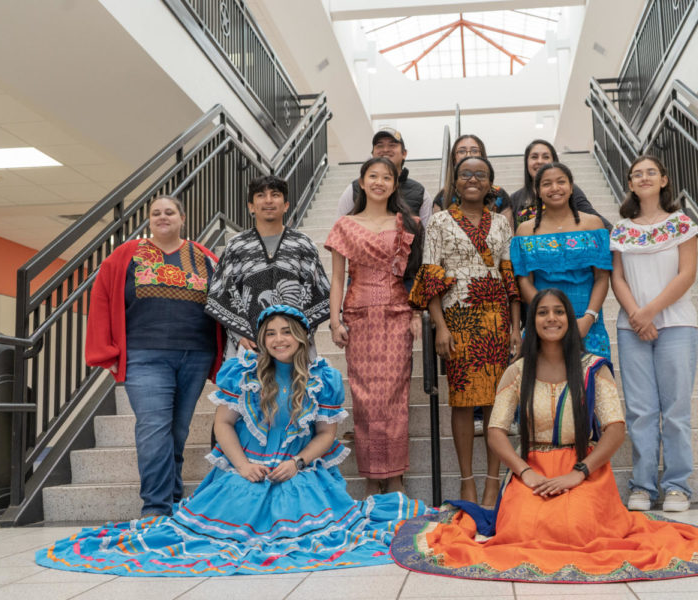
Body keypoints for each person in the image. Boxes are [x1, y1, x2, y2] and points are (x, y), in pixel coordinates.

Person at [389, 289, 698, 583]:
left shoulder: (593, 369)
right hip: (531, 467)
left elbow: (615, 430)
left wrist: (578, 472)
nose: (551, 318)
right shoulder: (517, 372)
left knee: (579, 528)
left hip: (585, 467)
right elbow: (497, 431)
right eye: (543, 312)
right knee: (520, 530)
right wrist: (525, 472)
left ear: (570, 318)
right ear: (532, 322)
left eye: (559, 311)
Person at [38, 305, 430, 576]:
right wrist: (242, 465)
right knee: (224, 529)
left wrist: (299, 463)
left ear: (300, 336)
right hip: (247, 469)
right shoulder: (241, 372)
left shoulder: (321, 376)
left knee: (320, 531)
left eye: (286, 332)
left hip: (299, 471)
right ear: (261, 339)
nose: (278, 339)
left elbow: (327, 432)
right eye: (270, 333)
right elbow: (223, 425)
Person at [84, 195, 223, 517]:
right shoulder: (125, 255)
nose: (162, 217)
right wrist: (107, 350)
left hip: (196, 354)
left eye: (169, 212)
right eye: (156, 213)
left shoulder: (203, 257)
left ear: (182, 217)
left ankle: (172, 496)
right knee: (154, 427)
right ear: (148, 220)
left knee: (177, 431)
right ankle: (156, 508)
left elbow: (222, 303)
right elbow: (103, 298)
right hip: (144, 356)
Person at [409, 156, 521, 508]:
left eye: (481, 175)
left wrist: (516, 327)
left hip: (496, 318)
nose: (473, 179)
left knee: (495, 402)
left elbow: (509, 275)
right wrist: (439, 326)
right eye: (466, 174)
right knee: (461, 401)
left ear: (491, 183)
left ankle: (491, 482)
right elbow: (430, 274)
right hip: (457, 319)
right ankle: (466, 481)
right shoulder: (439, 221)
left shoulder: (502, 223)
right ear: (455, 182)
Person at [326, 157, 424, 496]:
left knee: (395, 397)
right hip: (359, 315)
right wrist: (334, 318)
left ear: (395, 185)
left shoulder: (408, 224)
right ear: (362, 182)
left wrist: (415, 314)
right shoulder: (345, 225)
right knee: (365, 397)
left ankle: (395, 478)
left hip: (397, 314)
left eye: (387, 177)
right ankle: (371, 478)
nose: (379, 182)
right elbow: (338, 277)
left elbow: (416, 276)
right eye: (373, 176)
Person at [610, 155, 698, 512]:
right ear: (630, 184)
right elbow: (617, 277)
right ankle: (643, 486)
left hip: (677, 324)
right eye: (637, 174)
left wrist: (648, 312)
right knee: (640, 410)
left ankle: (677, 485)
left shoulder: (682, 224)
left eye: (651, 172)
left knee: (676, 410)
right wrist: (636, 315)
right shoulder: (620, 229)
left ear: (664, 180)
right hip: (631, 328)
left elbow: (686, 275)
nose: (644, 177)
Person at [205, 175, 330, 357]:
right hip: (249, 345)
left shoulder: (303, 244)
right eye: (261, 195)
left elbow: (316, 292)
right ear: (251, 206)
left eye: (275, 194)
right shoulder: (237, 245)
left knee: (295, 386)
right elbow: (223, 292)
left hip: (295, 343)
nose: (269, 200)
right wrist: (239, 335)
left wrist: (300, 333)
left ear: (286, 204)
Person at [511, 162, 612, 358]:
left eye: (561, 182)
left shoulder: (593, 224)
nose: (555, 188)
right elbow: (524, 280)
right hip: (543, 322)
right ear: (538, 191)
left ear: (571, 187)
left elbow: (602, 277)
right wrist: (548, 315)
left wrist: (589, 318)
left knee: (590, 384)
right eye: (547, 184)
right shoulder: (525, 230)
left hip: (586, 320)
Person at [503, 139, 611, 231]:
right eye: (534, 157)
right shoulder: (515, 198)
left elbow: (595, 218)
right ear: (527, 162)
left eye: (546, 157)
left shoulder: (566, 191)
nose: (540, 161)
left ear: (554, 161)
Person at [335, 128, 434, 227]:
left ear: (404, 153)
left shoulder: (420, 193)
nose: (385, 150)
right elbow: (340, 227)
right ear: (372, 153)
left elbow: (426, 236)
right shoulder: (355, 188)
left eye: (392, 145)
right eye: (380, 146)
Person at [432, 134, 511, 214]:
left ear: (482, 155)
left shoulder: (499, 195)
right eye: (462, 151)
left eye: (474, 151)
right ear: (454, 158)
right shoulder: (443, 197)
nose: (468, 155)